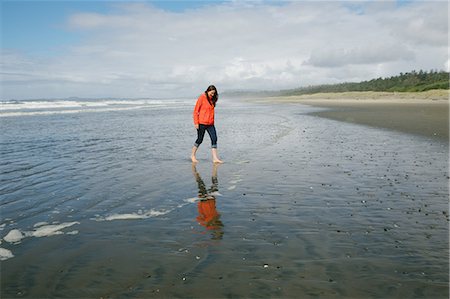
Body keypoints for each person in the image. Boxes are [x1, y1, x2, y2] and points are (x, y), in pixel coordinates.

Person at [191, 85, 223, 163]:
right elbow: (196, 111)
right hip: (201, 123)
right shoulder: (202, 97)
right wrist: (196, 122)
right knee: (200, 139)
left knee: (214, 138)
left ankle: (215, 158)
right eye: (211, 93)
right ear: (208, 91)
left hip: (210, 123)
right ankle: (192, 155)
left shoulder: (212, 100)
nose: (212, 95)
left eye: (214, 93)